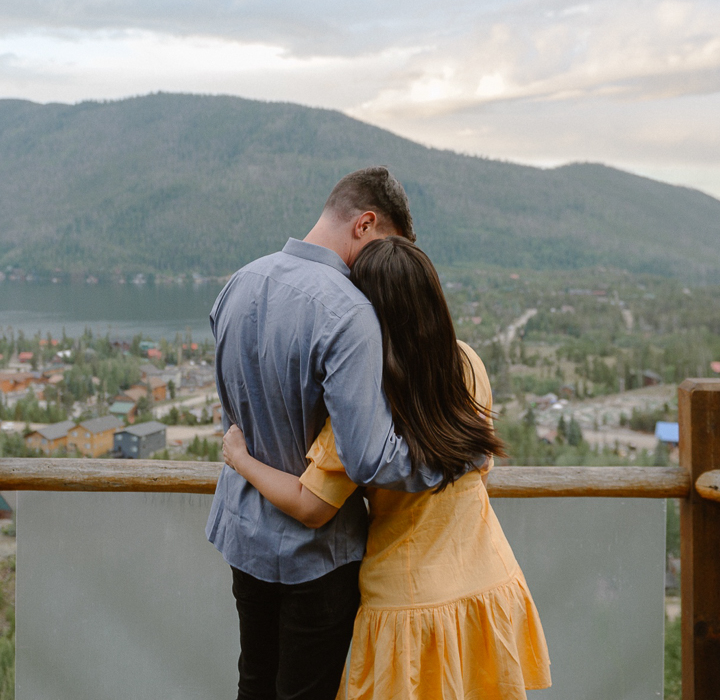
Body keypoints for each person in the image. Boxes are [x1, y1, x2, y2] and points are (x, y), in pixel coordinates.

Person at [223, 235, 551, 700]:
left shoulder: (365, 403)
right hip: (488, 586)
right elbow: (481, 465)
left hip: (406, 604)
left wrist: (242, 459)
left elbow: (311, 506)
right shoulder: (467, 365)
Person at [207, 167, 448, 700]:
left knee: (254, 682)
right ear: (366, 224)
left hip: (243, 534)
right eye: (389, 248)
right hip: (317, 557)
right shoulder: (351, 313)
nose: (388, 268)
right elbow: (366, 458)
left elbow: (233, 409)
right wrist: (449, 460)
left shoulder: (238, 283)